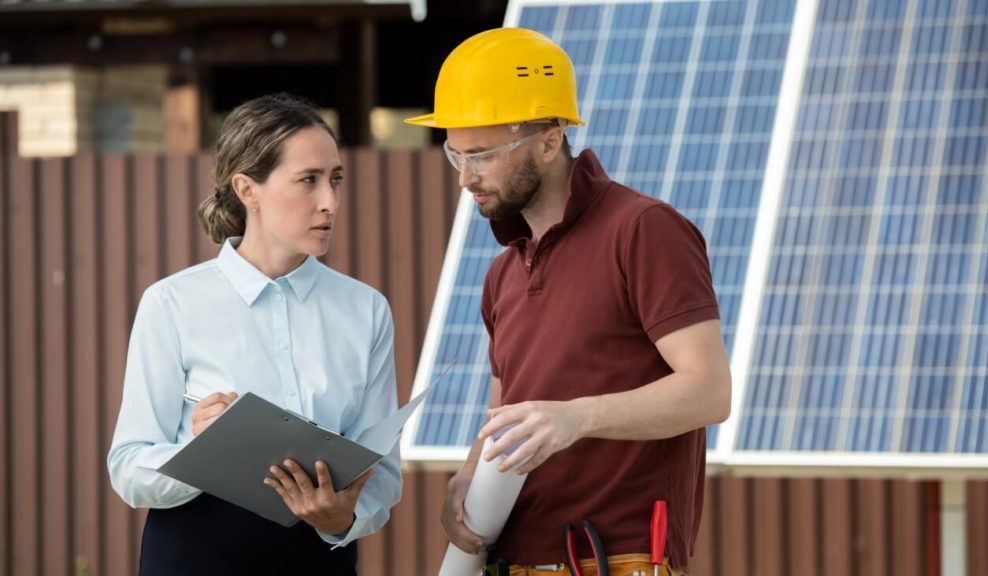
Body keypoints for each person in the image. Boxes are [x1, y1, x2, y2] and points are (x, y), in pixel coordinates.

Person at [406, 28, 731, 575]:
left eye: (482, 155)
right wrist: (468, 475)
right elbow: (507, 409)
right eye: (454, 155)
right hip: (513, 559)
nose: (465, 178)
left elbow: (709, 392)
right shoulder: (503, 271)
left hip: (620, 559)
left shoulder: (643, 230)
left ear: (550, 141)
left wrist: (576, 418)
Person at [107, 93, 402, 576]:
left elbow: (385, 473)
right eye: (308, 180)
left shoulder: (366, 310)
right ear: (248, 189)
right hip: (194, 559)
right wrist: (200, 455)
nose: (329, 201)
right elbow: (128, 467)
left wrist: (343, 517)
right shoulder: (173, 303)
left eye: (335, 180)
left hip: (318, 561)